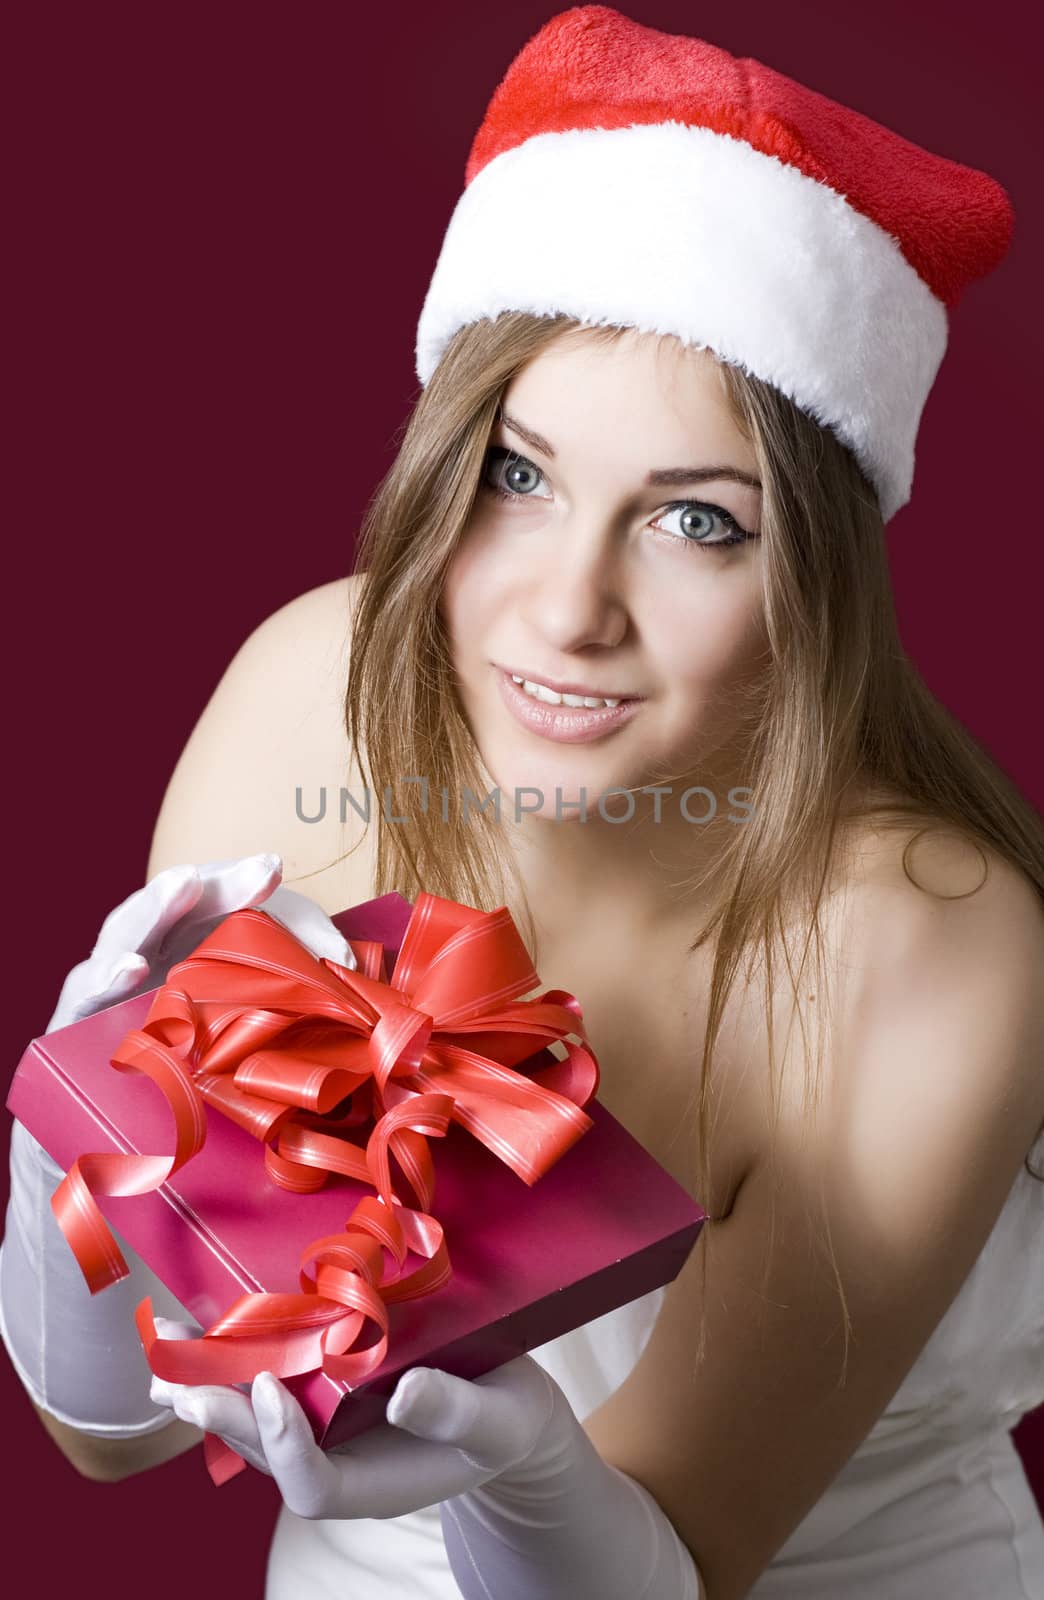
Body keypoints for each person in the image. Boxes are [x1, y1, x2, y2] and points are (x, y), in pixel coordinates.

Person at [3, 6, 1043, 1597]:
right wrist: (71, 1171)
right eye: (518, 472)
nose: (568, 611)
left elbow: (677, 1563)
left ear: (820, 580)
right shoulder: (317, 697)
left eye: (699, 522)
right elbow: (117, 1436)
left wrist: (526, 1470)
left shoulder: (926, 946)